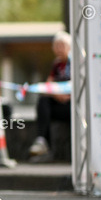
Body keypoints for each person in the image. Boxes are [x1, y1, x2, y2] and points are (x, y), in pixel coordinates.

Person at [28, 31, 72, 162]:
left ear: (69, 47)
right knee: (43, 101)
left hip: (73, 105)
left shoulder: (75, 63)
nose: (59, 49)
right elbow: (48, 85)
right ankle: (42, 141)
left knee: (46, 101)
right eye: (56, 46)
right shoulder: (57, 64)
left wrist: (60, 94)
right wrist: (57, 94)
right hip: (60, 102)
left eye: (62, 45)